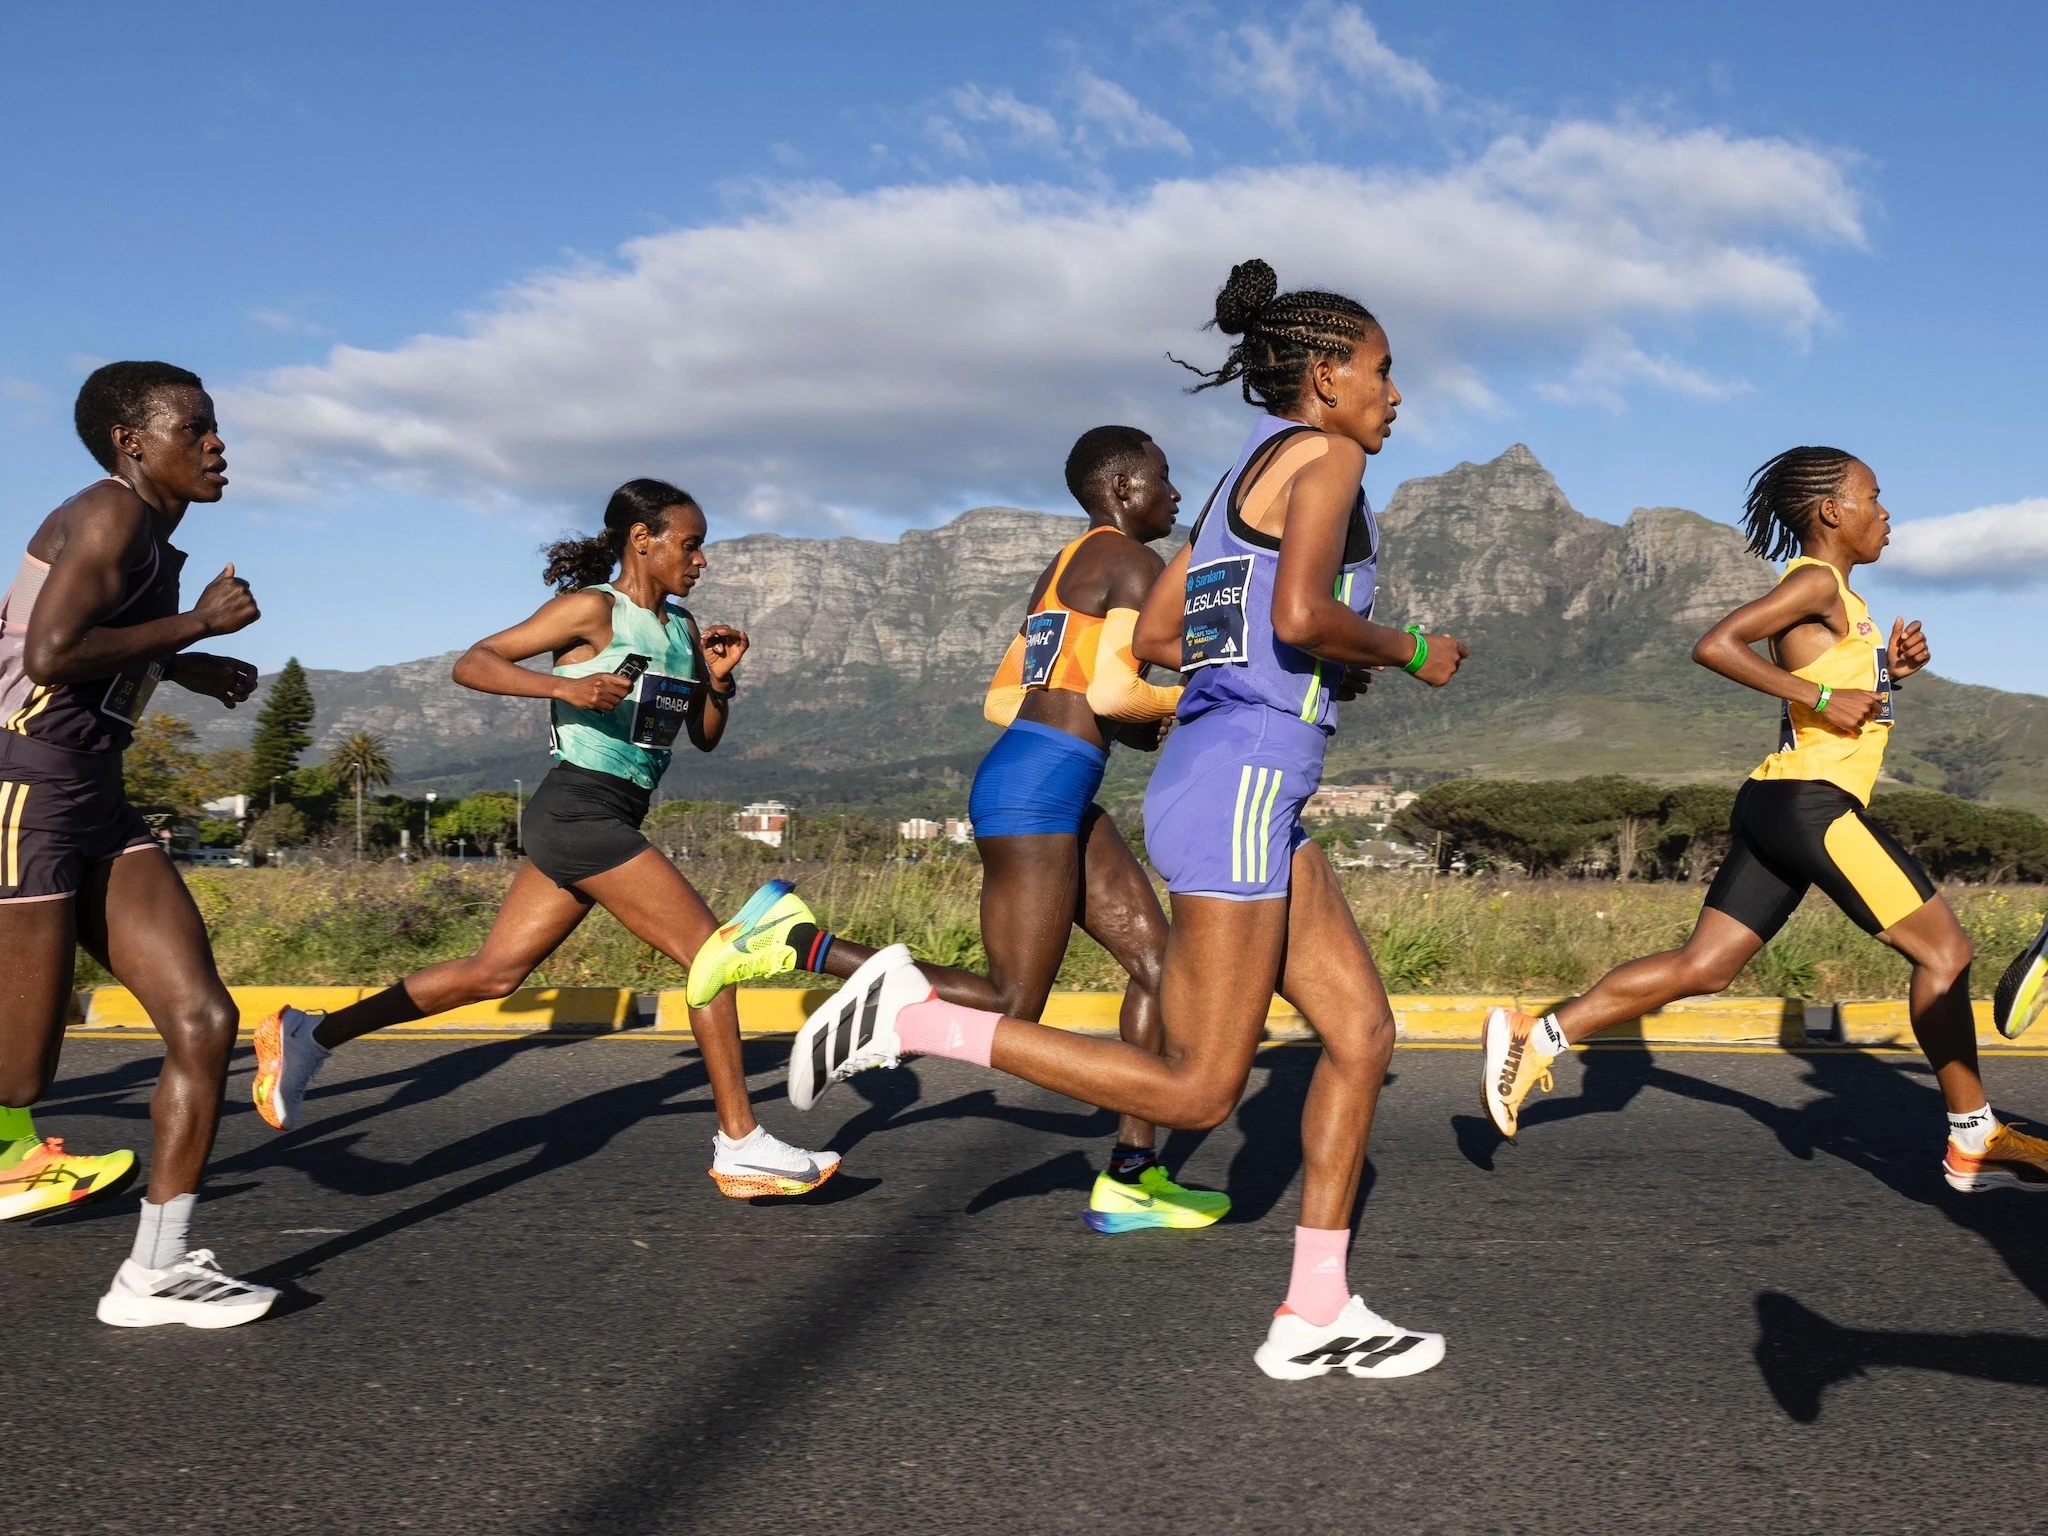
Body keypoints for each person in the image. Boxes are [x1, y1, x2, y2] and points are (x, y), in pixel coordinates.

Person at [782, 259, 1470, 1380]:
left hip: (1227, 775)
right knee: (1203, 1085)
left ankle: (1313, 1312)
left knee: (1360, 1035)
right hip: (1244, 780)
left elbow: (1155, 642)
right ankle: (915, 1021)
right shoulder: (1329, 456)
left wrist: (1280, 668)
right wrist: (1404, 650)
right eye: (1383, 372)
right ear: (1325, 373)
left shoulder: (1233, 479)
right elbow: (1299, 610)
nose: (1394, 396)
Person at [689, 425, 1230, 1233]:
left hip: (1044, 779)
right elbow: (1119, 695)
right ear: (1122, 488)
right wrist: (1182, 704)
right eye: (1163, 477)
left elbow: (1003, 700)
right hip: (1041, 791)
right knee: (1012, 1001)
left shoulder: (1064, 568)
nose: (1176, 493)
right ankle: (796, 943)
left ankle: (1132, 1174)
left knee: (1158, 963)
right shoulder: (1131, 561)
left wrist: (1106, 718)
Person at [1480, 448, 2048, 1193]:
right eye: (1874, 498)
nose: (1887, 514)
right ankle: (1974, 1137)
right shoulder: (1815, 583)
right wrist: (1817, 700)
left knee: (1705, 967)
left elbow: (1830, 688)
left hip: (1780, 802)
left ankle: (1537, 1034)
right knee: (1945, 954)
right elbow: (1715, 645)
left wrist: (1889, 672)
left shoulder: (1843, 600)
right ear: (1832, 512)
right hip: (1811, 805)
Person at [253, 479, 841, 1198]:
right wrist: (565, 689)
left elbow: (704, 740)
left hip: (614, 813)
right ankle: (741, 1142)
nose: (702, 560)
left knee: (494, 974)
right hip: (576, 807)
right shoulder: (593, 609)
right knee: (710, 955)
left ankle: (310, 1036)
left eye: (701, 547)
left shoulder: (685, 630)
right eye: (691, 544)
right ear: (642, 540)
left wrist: (718, 682)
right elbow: (474, 662)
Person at [1, 361, 276, 1325]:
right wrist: (195, 621)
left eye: (215, 426)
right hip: (27, 791)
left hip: (100, 802)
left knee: (203, 1021)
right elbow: (49, 656)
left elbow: (96, 646)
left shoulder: (154, 533)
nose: (216, 443)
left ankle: (154, 1271)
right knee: (18, 1077)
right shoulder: (113, 513)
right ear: (132, 442)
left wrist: (185, 661)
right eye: (195, 427)